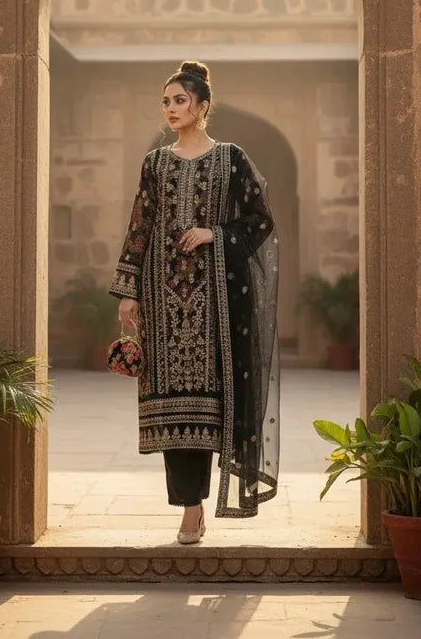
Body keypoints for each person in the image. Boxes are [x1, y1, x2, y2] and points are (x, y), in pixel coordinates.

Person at [109, 60, 280, 544]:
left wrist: (213, 233)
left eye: (180, 100)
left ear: (203, 106)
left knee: (211, 410)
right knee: (171, 410)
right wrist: (127, 289)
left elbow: (260, 220)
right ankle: (190, 508)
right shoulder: (155, 163)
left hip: (218, 304)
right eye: (165, 101)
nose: (171, 109)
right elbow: (139, 224)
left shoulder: (231, 159)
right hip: (162, 304)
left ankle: (197, 509)